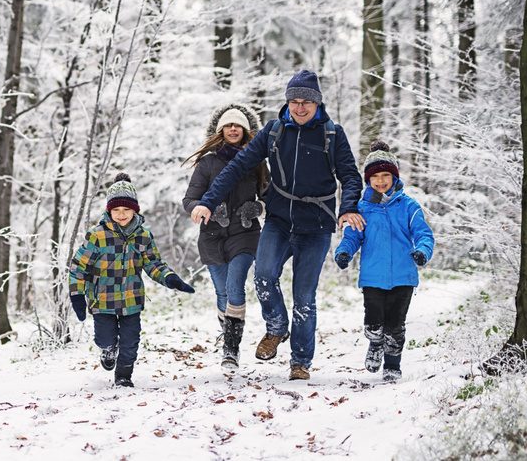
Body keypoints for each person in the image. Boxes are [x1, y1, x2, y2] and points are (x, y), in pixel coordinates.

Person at [190, 70, 364, 381]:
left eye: (306, 103)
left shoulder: (332, 134)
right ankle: (276, 327)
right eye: (294, 101)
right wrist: (207, 200)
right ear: (287, 102)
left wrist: (348, 207)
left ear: (317, 104)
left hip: (316, 224)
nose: (299, 108)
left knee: (304, 294)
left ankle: (299, 361)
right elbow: (236, 167)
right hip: (280, 220)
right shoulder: (273, 132)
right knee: (264, 275)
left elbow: (350, 175)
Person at [70, 173, 196, 387]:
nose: (121, 215)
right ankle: (108, 350)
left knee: (130, 343)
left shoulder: (143, 236)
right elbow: (79, 266)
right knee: (104, 338)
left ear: (135, 210)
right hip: (102, 301)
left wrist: (170, 278)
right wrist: (77, 295)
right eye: (116, 210)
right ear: (109, 210)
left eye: (126, 210)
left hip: (131, 300)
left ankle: (123, 376)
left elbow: (153, 263)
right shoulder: (97, 235)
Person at [333, 140, 435, 382]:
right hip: (373, 276)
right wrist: (344, 252)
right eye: (375, 176)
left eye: (386, 175)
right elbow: (352, 236)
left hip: (403, 276)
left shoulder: (408, 206)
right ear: (368, 180)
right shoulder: (362, 208)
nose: (380, 181)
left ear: (394, 176)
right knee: (374, 323)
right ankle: (375, 343)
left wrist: (422, 251)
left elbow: (423, 233)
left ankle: (392, 365)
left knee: (395, 326)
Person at [182, 104, 267, 371]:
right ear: (220, 131)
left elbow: (269, 196)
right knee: (221, 292)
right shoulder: (207, 163)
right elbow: (190, 199)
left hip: (244, 232)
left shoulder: (256, 162)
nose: (233, 129)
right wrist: (202, 208)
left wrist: (258, 208)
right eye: (228, 125)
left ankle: (230, 349)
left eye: (238, 126)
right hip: (212, 235)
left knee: (234, 286)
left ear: (244, 131)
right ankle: (230, 332)